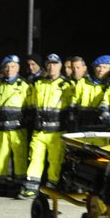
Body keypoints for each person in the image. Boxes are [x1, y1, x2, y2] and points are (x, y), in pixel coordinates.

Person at [21, 53, 72, 199]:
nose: (51, 67)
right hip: (40, 130)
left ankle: (51, 187)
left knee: (55, 161)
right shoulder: (38, 83)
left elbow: (70, 109)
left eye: (55, 64)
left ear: (60, 66)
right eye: (49, 64)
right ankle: (31, 188)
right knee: (35, 158)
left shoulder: (66, 85)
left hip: (57, 131)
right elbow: (31, 103)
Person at [0, 55, 29, 196]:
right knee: (0, 156)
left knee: (19, 158)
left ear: (18, 68)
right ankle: (0, 185)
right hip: (2, 129)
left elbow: (29, 108)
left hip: (18, 129)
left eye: (12, 67)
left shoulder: (24, 84)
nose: (9, 69)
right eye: (7, 67)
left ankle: (19, 185)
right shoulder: (0, 84)